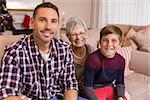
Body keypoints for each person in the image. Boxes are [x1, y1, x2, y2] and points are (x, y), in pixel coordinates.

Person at [0, 2, 78, 100]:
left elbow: (70, 85)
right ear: (32, 22)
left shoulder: (65, 49)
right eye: (42, 20)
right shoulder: (14, 53)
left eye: (53, 21)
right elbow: (8, 94)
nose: (48, 27)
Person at [83, 25, 127, 100]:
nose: (109, 44)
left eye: (114, 40)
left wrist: (120, 97)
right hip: (94, 90)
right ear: (100, 42)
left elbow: (120, 82)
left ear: (120, 44)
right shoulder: (92, 59)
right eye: (105, 40)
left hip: (110, 88)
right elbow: (87, 87)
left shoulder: (121, 60)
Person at [65, 17, 94, 99]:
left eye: (81, 33)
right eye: (74, 34)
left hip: (89, 91)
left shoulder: (91, 50)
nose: (78, 37)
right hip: (71, 93)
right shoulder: (65, 54)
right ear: (68, 37)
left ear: (86, 33)